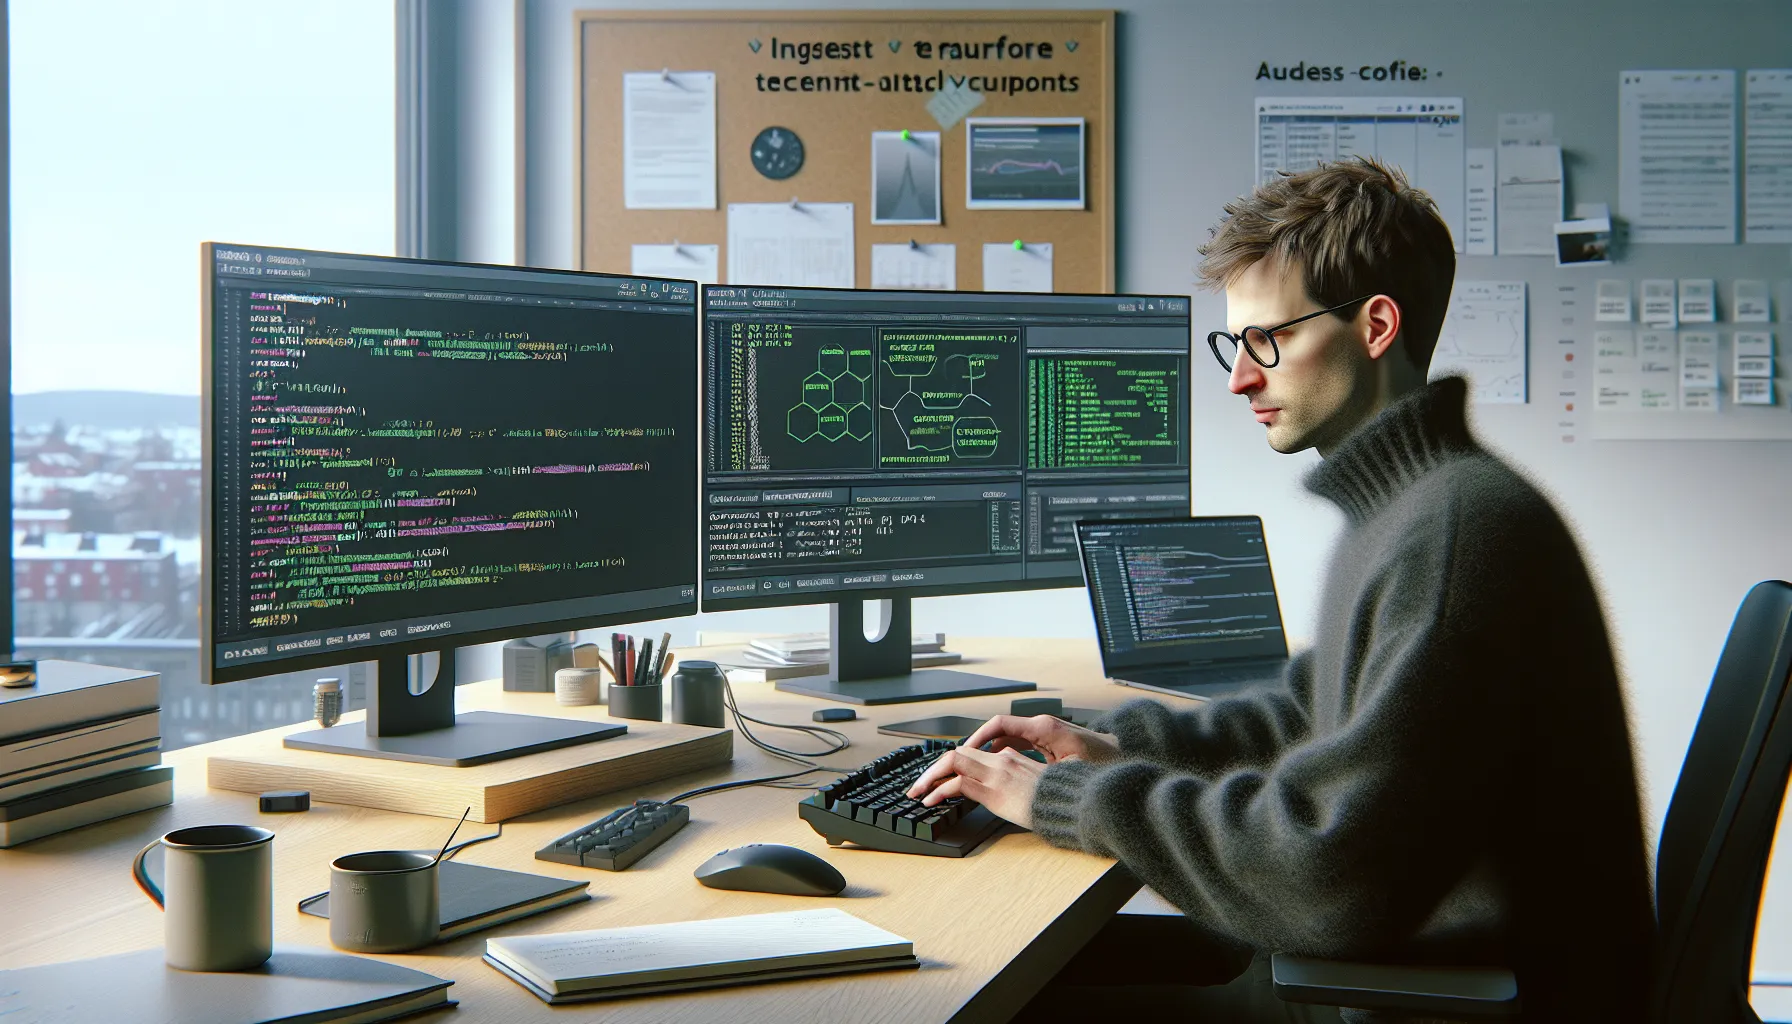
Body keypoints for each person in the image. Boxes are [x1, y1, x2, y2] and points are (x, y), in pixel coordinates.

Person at [907, 157, 1654, 1023]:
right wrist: (1109, 746)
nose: (1239, 378)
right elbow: (1309, 718)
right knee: (990, 972)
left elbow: (1327, 876)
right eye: (1236, 343)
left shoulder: (1456, 534)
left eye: (1270, 339)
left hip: (1442, 998)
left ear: (1375, 326)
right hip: (1409, 967)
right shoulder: (1419, 506)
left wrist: (1066, 800)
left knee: (984, 1000)